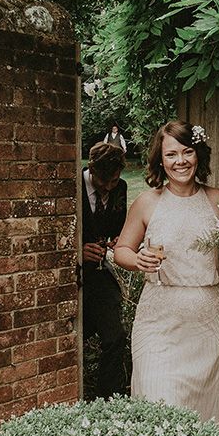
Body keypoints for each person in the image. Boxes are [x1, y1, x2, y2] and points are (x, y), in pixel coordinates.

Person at [113, 120, 219, 429]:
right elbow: (121, 251)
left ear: (198, 155)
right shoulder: (147, 202)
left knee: (201, 412)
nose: (180, 161)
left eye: (187, 152)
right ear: (160, 159)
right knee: (160, 401)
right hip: (159, 321)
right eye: (171, 155)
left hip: (205, 323)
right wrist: (137, 259)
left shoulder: (217, 199)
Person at [81, 142, 128, 399]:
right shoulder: (72, 186)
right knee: (79, 335)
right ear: (91, 169)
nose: (109, 187)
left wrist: (119, 237)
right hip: (74, 278)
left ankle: (106, 399)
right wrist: (79, 251)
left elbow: (120, 225)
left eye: (114, 181)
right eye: (104, 181)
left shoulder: (120, 187)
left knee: (115, 337)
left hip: (100, 276)